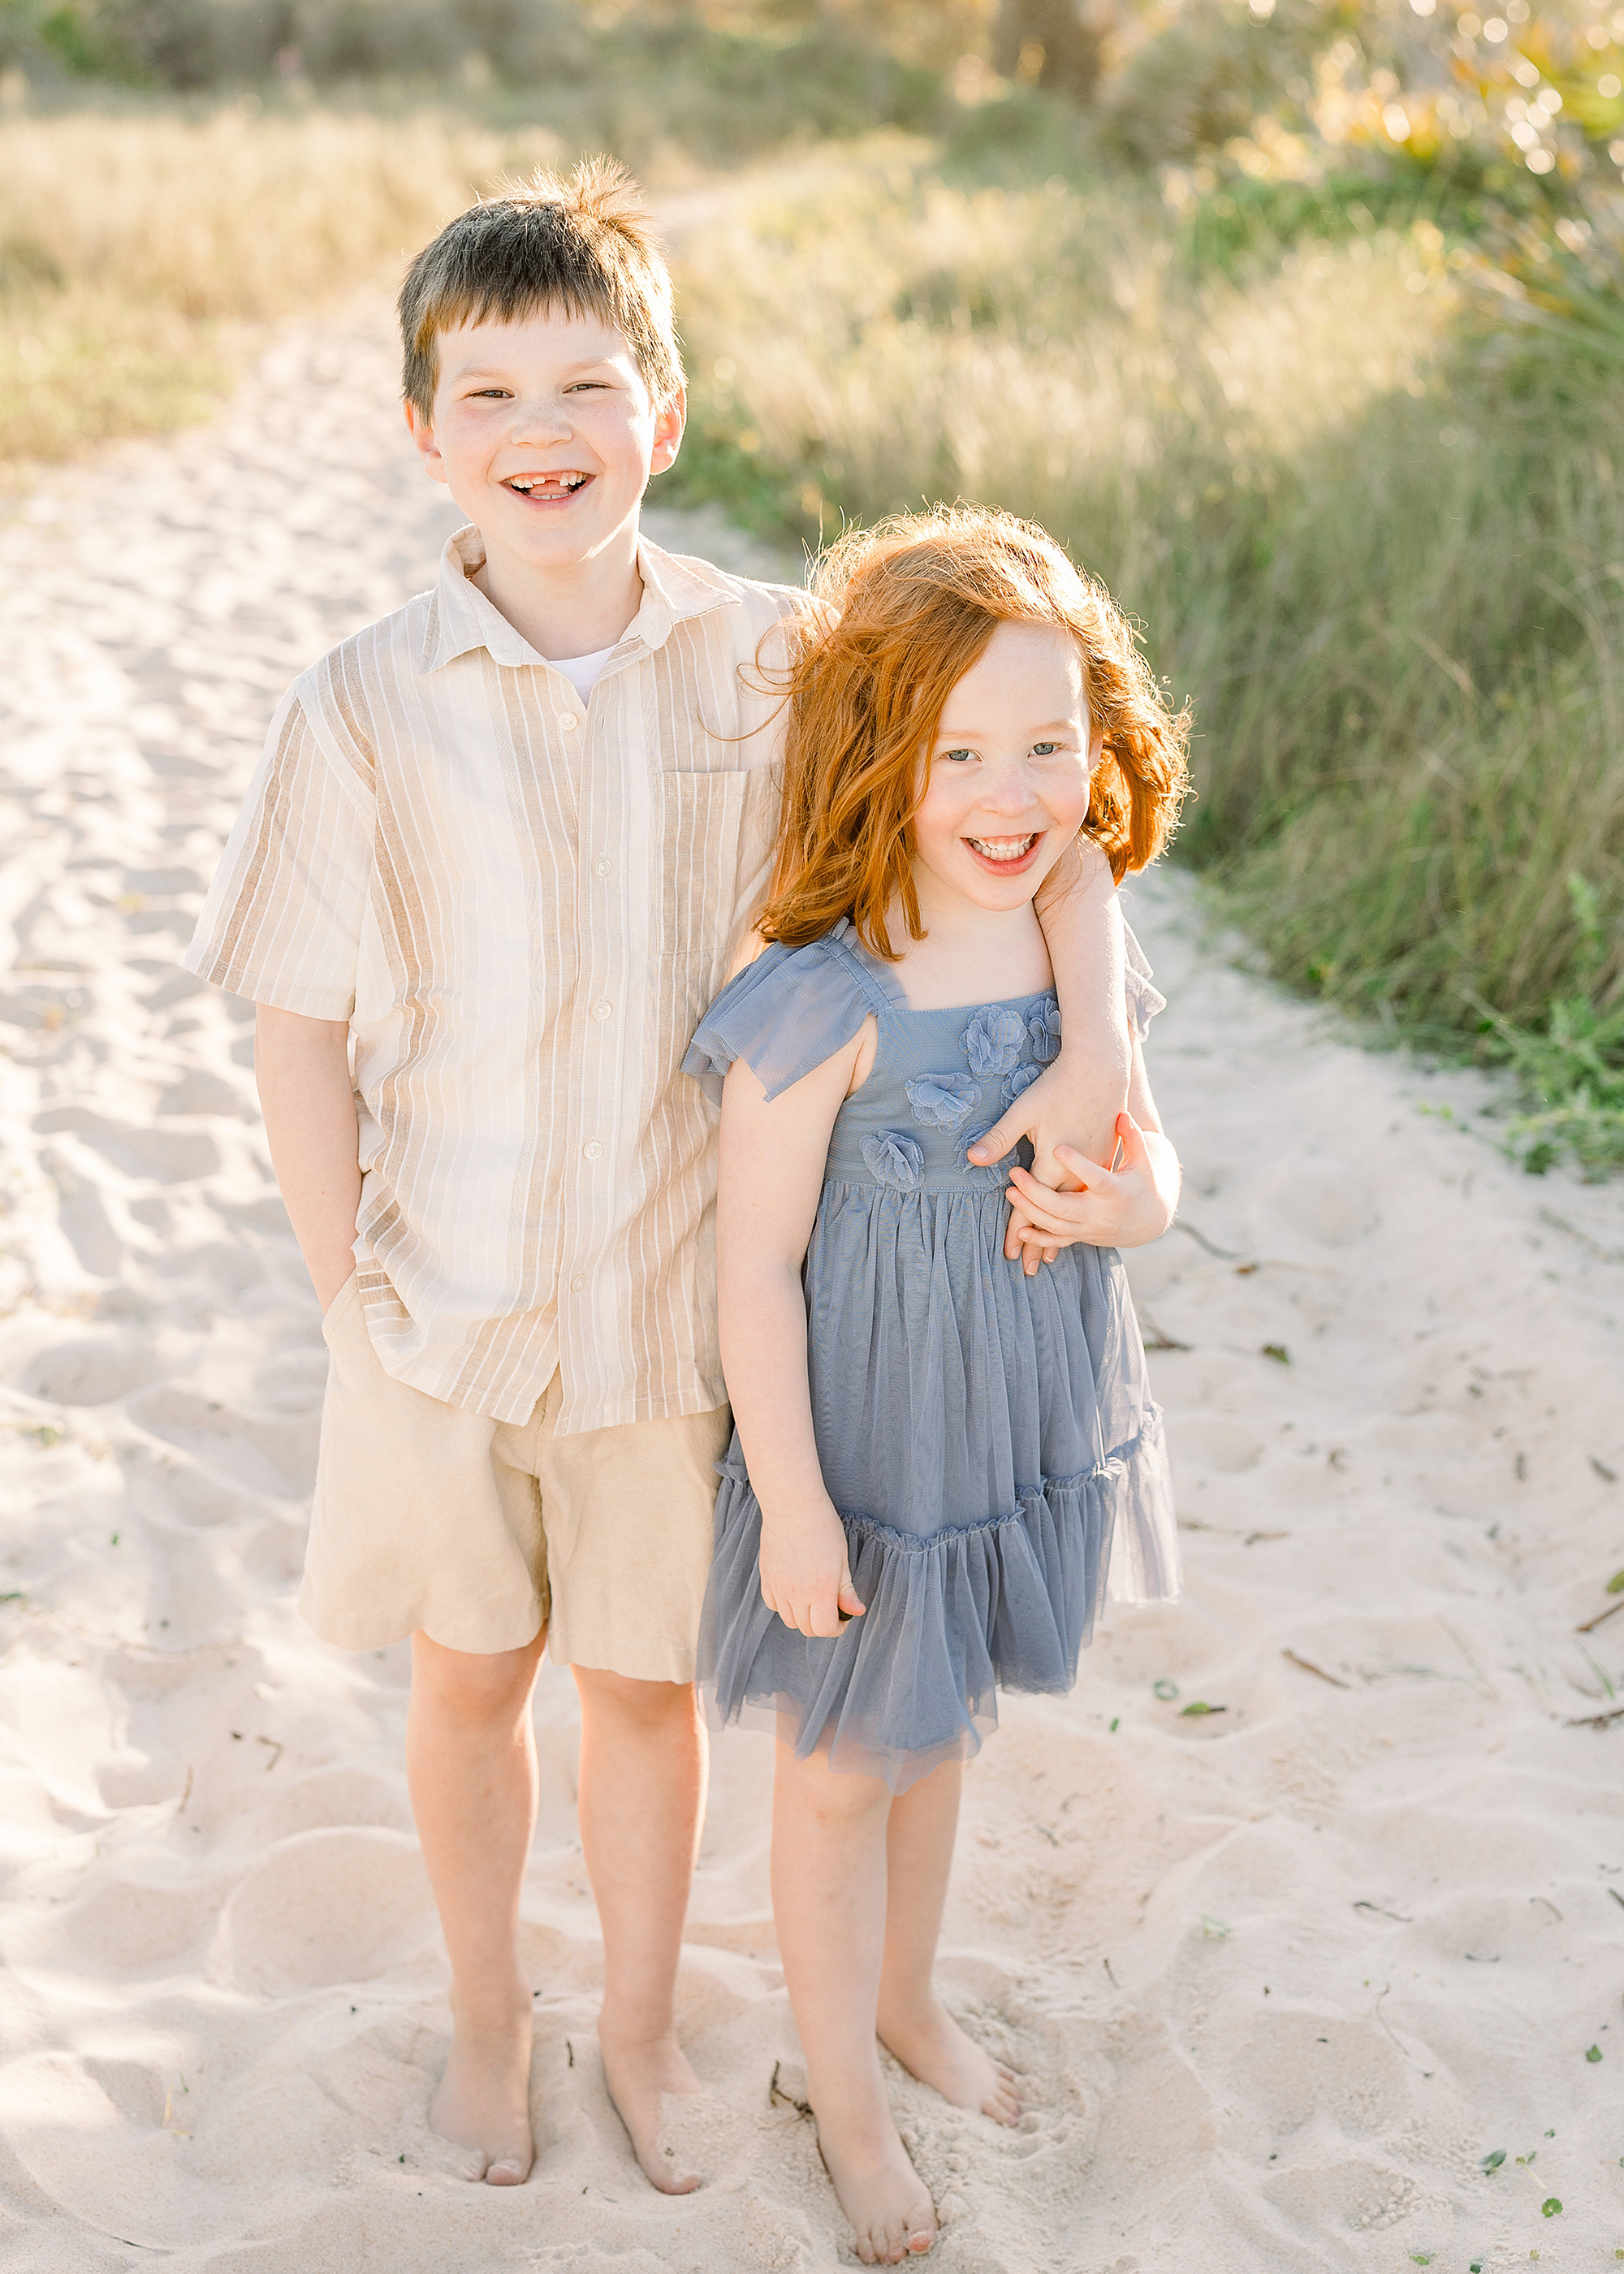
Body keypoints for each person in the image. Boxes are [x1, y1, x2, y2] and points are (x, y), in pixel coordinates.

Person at [184, 164, 1133, 2198]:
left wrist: (1106, 1038)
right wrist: (344, 1280)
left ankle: (630, 2021)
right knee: (463, 1684)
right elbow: (293, 1017)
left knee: (636, 1694)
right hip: (441, 1300)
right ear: (424, 430)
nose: (546, 432)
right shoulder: (360, 702)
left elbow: (1036, 818)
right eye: (492, 392)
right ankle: (480, 2017)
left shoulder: (779, 663)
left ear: (665, 418)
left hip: (672, 1298)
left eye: (589, 385)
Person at [684, 506, 1189, 2263]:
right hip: (869, 1443)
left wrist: (1133, 1193)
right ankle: (837, 2086)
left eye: (1048, 746)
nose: (1011, 791)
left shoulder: (1066, 927)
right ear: (875, 756)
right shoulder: (817, 996)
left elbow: (1151, 1167)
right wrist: (796, 1500)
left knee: (941, 1720)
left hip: (1013, 1423)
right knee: (838, 1766)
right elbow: (752, 1262)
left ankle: (908, 1999)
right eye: (957, 750)